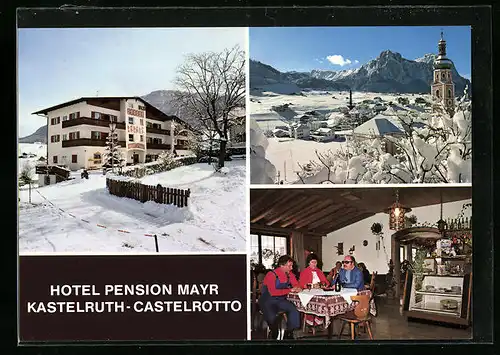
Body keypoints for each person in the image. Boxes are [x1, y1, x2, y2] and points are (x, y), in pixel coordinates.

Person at [259, 255, 302, 339]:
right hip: (267, 300)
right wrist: (290, 290)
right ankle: (273, 332)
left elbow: (296, 285)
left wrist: (298, 288)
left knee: (294, 311)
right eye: (289, 266)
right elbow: (273, 292)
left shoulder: (290, 274)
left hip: (280, 300)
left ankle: (288, 333)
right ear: (282, 265)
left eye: (292, 265)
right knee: (272, 317)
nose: (291, 268)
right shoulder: (271, 274)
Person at [299, 253, 329, 332]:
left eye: (315, 262)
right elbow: (301, 284)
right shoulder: (304, 272)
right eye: (312, 262)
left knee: (323, 300)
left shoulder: (319, 271)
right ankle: (310, 318)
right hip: (308, 292)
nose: (314, 264)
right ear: (308, 263)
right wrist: (312, 286)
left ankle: (319, 317)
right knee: (311, 300)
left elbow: (326, 282)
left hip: (319, 291)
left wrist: (323, 285)